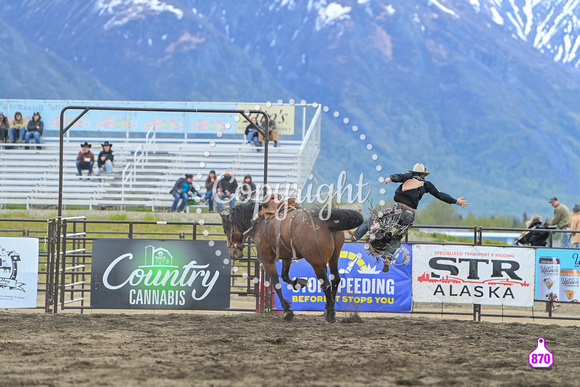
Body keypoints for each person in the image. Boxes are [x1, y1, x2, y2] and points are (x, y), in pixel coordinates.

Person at [350, 163, 468, 272]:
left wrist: (390, 178)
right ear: (423, 174)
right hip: (410, 215)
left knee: (376, 216)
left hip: (398, 210)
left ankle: (357, 235)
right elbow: (440, 195)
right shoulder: (426, 185)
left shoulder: (408, 177)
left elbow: (398, 177)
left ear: (413, 172)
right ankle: (388, 257)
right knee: (397, 236)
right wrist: (456, 201)